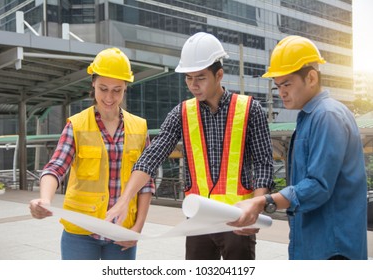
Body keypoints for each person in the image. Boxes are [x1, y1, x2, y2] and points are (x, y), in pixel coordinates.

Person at [106, 32, 274, 260]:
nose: (193, 85)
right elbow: (151, 157)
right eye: (188, 78)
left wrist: (255, 208)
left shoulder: (250, 110)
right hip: (198, 220)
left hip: (238, 218)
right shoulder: (181, 113)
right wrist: (124, 201)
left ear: (219, 75)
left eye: (200, 77)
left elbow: (264, 163)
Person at [229, 35, 368, 260]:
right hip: (315, 246)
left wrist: (263, 201)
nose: (281, 92)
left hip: (332, 251)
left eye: (287, 84)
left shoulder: (327, 116)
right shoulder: (310, 117)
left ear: (311, 78)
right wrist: (261, 209)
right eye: (277, 86)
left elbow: (317, 185)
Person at [29, 48, 155, 260]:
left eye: (117, 90)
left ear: (125, 88)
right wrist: (45, 199)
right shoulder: (77, 125)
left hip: (122, 233)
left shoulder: (140, 128)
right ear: (93, 84)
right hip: (80, 233)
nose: (109, 97)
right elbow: (56, 167)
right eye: (103, 88)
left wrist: (138, 227)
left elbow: (146, 182)